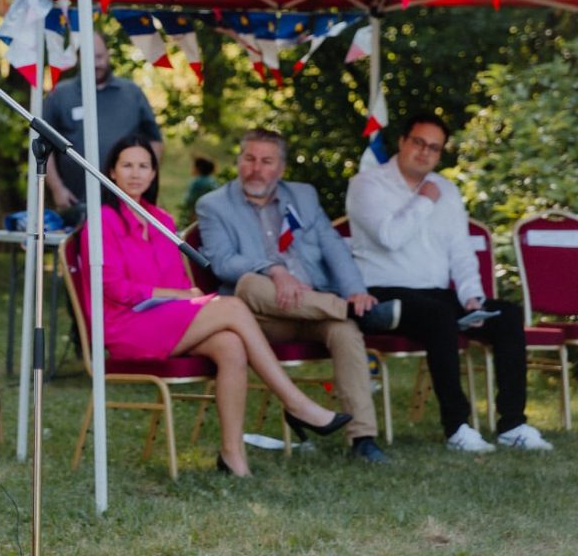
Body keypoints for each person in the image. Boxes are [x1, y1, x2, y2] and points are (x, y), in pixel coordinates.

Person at [90, 135, 350, 475]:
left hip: (165, 321)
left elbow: (182, 285)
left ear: (154, 174)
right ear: (112, 171)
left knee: (230, 344)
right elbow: (112, 287)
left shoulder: (163, 222)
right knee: (232, 307)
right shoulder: (101, 221)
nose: (135, 174)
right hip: (126, 324)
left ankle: (232, 457)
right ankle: (296, 402)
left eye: (143, 166)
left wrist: (185, 295)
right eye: (127, 165)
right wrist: (174, 296)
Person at [346, 113, 552, 452]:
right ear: (402, 141)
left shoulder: (447, 189)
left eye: (434, 148)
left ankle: (512, 424)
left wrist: (473, 296)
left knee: (507, 315)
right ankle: (457, 427)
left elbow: (461, 252)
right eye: (418, 142)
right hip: (383, 294)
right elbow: (389, 237)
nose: (425, 153)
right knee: (439, 316)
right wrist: (424, 200)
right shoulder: (367, 184)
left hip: (437, 295)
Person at [196, 129, 398, 464]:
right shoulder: (214, 205)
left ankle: (363, 438)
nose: (256, 169)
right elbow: (222, 262)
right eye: (249, 159)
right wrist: (274, 269)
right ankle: (350, 312)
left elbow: (333, 247)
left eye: (266, 161)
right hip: (259, 318)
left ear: (281, 168)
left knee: (345, 333)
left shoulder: (303, 196)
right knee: (249, 283)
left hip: (311, 310)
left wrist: (356, 291)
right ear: (238, 161)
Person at [43, 32, 161, 222]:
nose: (96, 64)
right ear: (79, 58)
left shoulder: (132, 93)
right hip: (77, 203)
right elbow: (43, 147)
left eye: (99, 56)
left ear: (108, 54)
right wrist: (57, 188)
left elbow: (154, 141)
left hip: (126, 202)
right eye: (90, 58)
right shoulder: (60, 95)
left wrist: (146, 180)